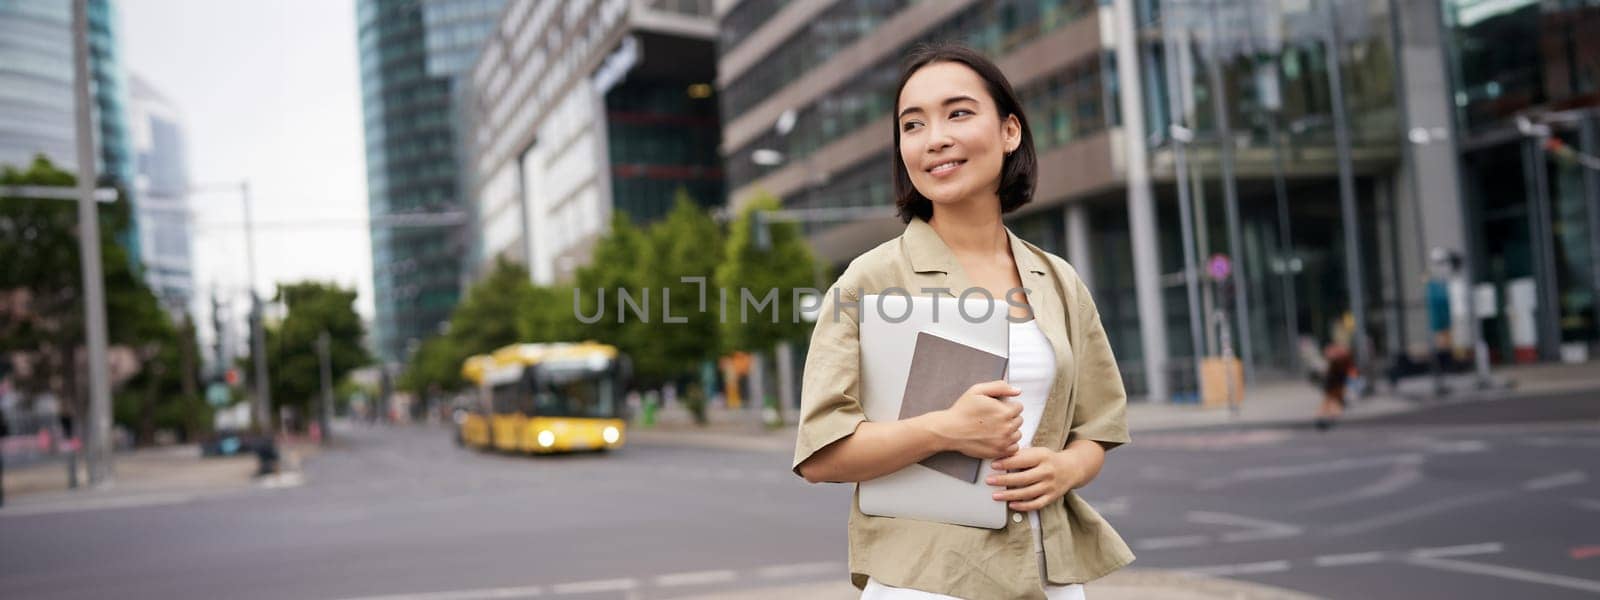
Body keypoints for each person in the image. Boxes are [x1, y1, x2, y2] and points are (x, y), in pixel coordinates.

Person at [792, 42, 1133, 600]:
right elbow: (821, 454)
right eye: (913, 124)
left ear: (1009, 132)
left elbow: (1097, 427)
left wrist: (1066, 469)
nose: (935, 139)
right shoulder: (869, 281)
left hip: (1049, 577)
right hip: (929, 583)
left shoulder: (1057, 280)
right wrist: (945, 431)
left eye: (958, 113)